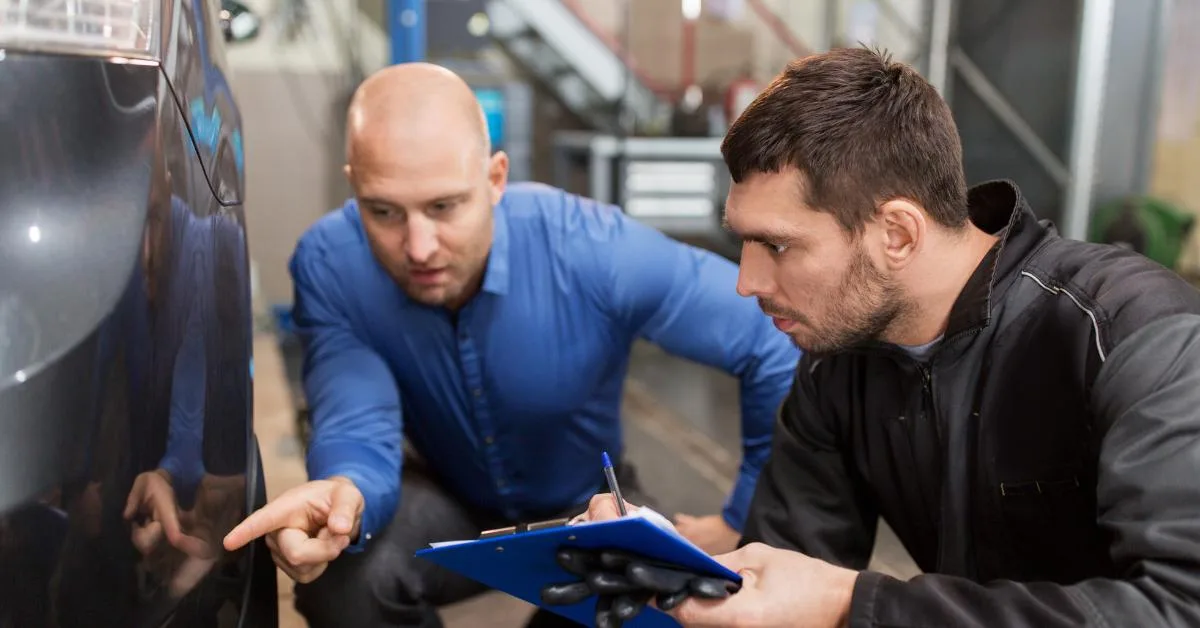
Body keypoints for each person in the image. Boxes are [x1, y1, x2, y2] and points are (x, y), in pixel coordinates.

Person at [580, 47, 1200, 627]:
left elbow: (1179, 607)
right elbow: (784, 582)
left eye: (777, 245)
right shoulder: (836, 361)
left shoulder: (1129, 335)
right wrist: (675, 572)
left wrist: (855, 602)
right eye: (742, 241)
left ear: (897, 234)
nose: (746, 282)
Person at [221, 62, 800, 627]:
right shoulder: (332, 265)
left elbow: (765, 342)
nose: (418, 246)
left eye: (444, 207)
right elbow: (355, 415)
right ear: (353, 186)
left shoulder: (592, 250)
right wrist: (343, 491)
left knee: (640, 609)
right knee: (346, 581)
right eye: (383, 212)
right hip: (447, 497)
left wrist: (740, 515)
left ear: (495, 179)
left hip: (585, 502)